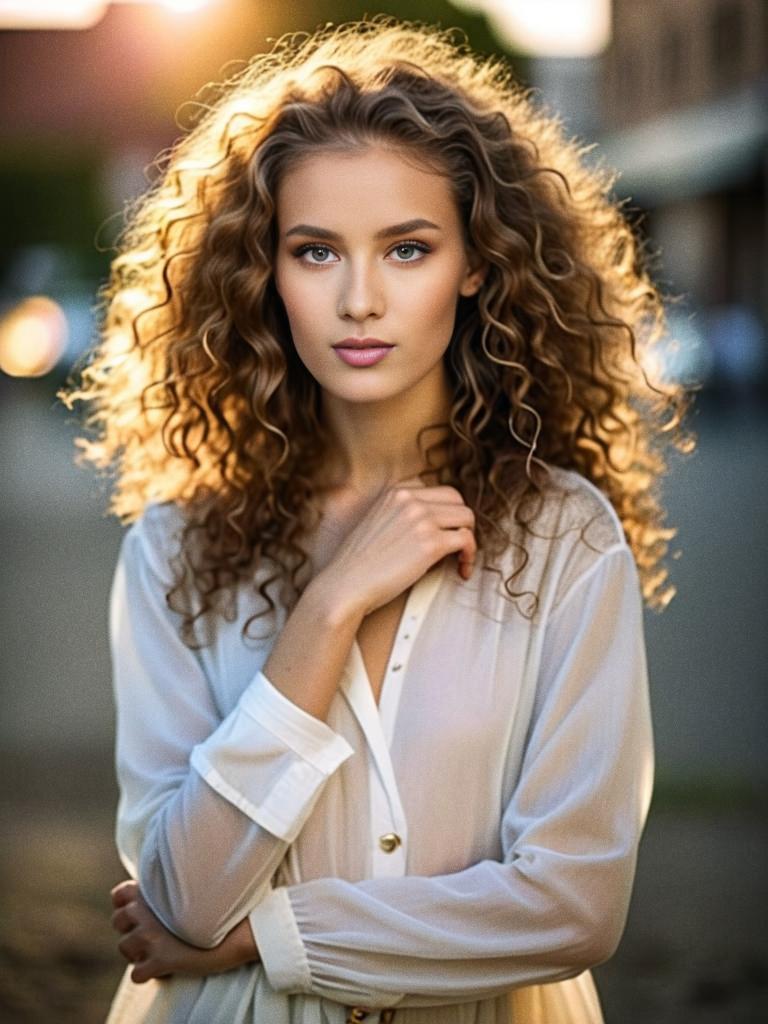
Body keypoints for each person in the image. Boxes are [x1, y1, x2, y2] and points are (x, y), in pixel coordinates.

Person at [59, 14, 694, 1024]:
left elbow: (575, 904)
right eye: (316, 252)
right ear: (264, 273)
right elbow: (179, 895)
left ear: (477, 262)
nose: (360, 299)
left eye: (407, 248)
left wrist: (273, 938)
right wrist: (328, 608)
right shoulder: (175, 548)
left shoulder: (566, 538)